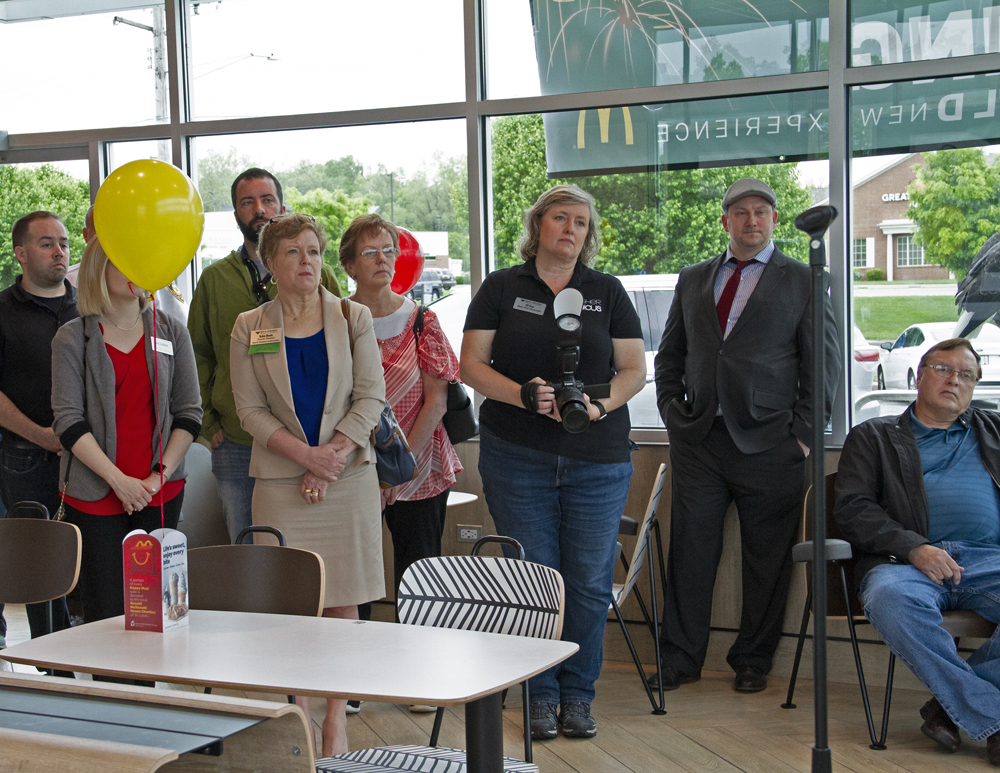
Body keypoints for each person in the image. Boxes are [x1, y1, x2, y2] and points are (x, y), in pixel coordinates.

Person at [461, 184, 646, 740]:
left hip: (597, 458)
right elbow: (472, 365)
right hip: (517, 455)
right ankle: (538, 694)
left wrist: (600, 405)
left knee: (588, 581)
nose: (571, 229)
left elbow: (634, 370)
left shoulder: (606, 291)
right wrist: (522, 395)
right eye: (561, 218)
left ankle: (578, 696)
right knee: (535, 579)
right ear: (538, 224)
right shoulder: (501, 286)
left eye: (581, 222)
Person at [653, 177, 840, 693]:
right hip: (700, 440)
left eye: (761, 212)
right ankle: (680, 659)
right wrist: (672, 413)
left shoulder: (804, 278)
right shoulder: (693, 278)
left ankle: (753, 660)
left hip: (772, 443)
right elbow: (670, 356)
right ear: (725, 221)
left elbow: (823, 365)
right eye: (741, 212)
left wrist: (803, 438)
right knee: (690, 555)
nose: (751, 220)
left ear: (774, 220)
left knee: (767, 561)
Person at [229, 213, 385, 757]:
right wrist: (306, 458)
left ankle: (336, 720)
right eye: (293, 252)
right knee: (293, 604)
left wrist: (328, 460)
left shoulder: (352, 315)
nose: (306, 261)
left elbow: (370, 396)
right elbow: (249, 410)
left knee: (342, 603)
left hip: (347, 478)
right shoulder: (250, 325)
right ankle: (299, 714)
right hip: (280, 482)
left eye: (314, 251)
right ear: (269, 262)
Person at [835, 337, 1000, 765]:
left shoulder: (994, 431)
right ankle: (994, 719)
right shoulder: (873, 435)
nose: (954, 380)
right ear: (919, 376)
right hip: (903, 564)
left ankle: (950, 706)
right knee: (889, 599)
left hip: (988, 559)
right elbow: (853, 509)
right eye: (943, 369)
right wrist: (915, 548)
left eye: (966, 375)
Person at [51, 237, 201, 625]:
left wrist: (157, 478)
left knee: (160, 611)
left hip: (160, 492)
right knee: (106, 612)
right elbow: (68, 421)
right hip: (96, 495)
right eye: (125, 262)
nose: (138, 271)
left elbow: (189, 414)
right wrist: (119, 482)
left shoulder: (171, 330)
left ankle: (150, 672)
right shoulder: (73, 337)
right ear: (98, 270)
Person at [188, 168, 342, 544]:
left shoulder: (318, 272)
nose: (259, 209)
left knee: (309, 547)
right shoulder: (214, 279)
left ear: (282, 207)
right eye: (247, 202)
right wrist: (209, 422)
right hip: (237, 440)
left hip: (310, 438)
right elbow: (197, 355)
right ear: (236, 214)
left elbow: (343, 348)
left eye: (267, 199)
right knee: (249, 548)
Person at [341, 213, 463, 599]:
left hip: (419, 467)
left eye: (389, 250)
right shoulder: (335, 320)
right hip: (352, 467)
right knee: (353, 582)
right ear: (349, 265)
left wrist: (395, 471)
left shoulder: (423, 320)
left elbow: (437, 403)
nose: (382, 259)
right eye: (370, 252)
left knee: (419, 584)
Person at [0, 211, 76, 650]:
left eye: (63, 243)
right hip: (25, 455)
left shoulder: (89, 307)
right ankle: (53, 662)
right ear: (21, 253)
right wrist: (41, 435)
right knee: (39, 566)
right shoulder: (3, 310)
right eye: (46, 243)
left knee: (85, 559)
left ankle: (91, 657)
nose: (59, 251)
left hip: (89, 456)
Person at [67, 206, 188, 321]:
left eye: (117, 227)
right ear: (86, 235)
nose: (111, 235)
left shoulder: (153, 276)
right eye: (101, 228)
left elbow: (180, 320)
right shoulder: (69, 281)